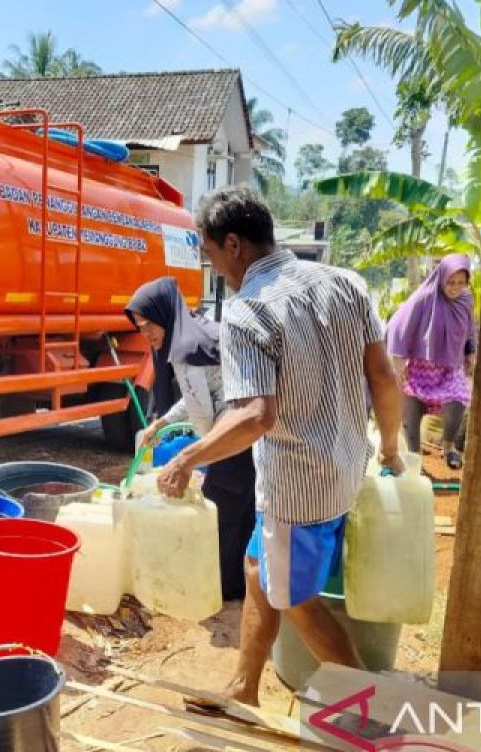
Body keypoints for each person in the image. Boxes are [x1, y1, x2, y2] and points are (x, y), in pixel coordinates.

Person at [157, 186, 405, 707]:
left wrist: (186, 458)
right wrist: (388, 449)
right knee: (256, 570)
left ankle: (371, 700)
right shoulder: (347, 283)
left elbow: (255, 415)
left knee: (295, 597)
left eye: (209, 254)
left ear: (233, 245)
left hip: (297, 486)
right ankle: (243, 690)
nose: (214, 268)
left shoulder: (249, 311)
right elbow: (383, 377)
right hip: (343, 466)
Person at [125, 277, 257, 601]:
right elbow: (195, 398)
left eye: (148, 325)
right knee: (227, 510)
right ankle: (235, 585)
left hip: (238, 441)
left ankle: (228, 588)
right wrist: (163, 422)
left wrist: (196, 455)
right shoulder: (181, 350)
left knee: (226, 510)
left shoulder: (207, 346)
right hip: (219, 444)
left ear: (165, 314)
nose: (146, 335)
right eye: (139, 328)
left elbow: (237, 403)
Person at [386, 254, 477, 470]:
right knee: (411, 410)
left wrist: (470, 352)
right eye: (451, 282)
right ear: (442, 278)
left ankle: (449, 449)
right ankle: (415, 458)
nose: (455, 287)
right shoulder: (425, 298)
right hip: (420, 368)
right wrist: (398, 363)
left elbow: (470, 328)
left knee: (458, 399)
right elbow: (398, 326)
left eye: (461, 283)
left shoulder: (465, 300)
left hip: (449, 368)